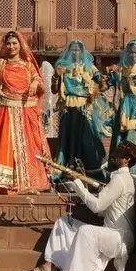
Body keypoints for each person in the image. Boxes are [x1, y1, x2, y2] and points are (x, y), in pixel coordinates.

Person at [20, 142, 136, 271]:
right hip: (109, 233)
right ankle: (51, 265)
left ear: (126, 160)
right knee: (64, 223)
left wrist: (77, 184)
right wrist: (97, 192)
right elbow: (103, 211)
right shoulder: (119, 179)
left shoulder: (121, 179)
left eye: (118, 153)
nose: (113, 155)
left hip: (119, 238)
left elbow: (97, 206)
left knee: (87, 232)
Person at [0, 31, 53, 195]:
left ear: (20, 45)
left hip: (26, 111)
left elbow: (40, 84)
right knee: (4, 145)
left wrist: (35, 82)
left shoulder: (28, 65)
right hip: (6, 109)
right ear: (5, 46)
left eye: (14, 43)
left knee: (27, 147)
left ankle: (26, 182)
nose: (11, 47)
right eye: (8, 43)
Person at [52, 41, 108, 176]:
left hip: (84, 106)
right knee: (68, 136)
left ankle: (87, 168)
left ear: (82, 52)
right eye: (73, 50)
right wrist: (55, 76)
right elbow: (54, 90)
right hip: (68, 105)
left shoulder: (89, 68)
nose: (75, 52)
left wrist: (99, 86)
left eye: (78, 50)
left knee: (86, 137)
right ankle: (68, 165)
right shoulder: (62, 68)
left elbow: (104, 85)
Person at [107, 40, 136, 179]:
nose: (133, 55)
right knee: (122, 136)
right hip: (126, 105)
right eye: (131, 52)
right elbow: (106, 84)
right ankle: (121, 167)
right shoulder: (122, 70)